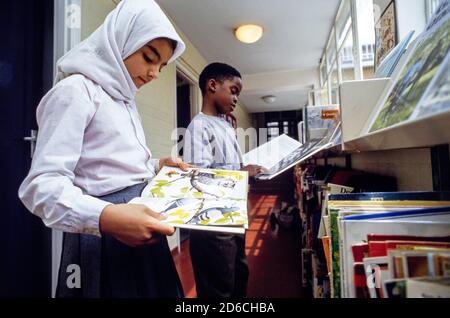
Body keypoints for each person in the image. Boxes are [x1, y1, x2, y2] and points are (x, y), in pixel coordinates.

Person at [18, 0, 191, 298]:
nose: (153, 74)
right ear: (119, 40)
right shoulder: (76, 91)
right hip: (105, 236)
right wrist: (106, 217)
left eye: (161, 66)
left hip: (138, 224)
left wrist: (155, 166)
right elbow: (41, 187)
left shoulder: (124, 98)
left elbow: (109, 165)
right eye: (149, 58)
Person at [183, 62, 262, 298]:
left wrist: (249, 174)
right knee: (219, 288)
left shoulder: (225, 125)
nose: (236, 98)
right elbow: (199, 178)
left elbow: (230, 167)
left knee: (239, 276)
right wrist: (243, 173)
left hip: (233, 217)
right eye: (233, 90)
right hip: (212, 224)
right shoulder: (198, 126)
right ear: (212, 85)